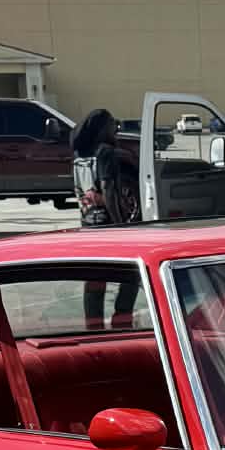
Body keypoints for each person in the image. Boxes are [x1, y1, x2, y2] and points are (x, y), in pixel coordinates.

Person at [70, 106, 139, 326]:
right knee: (131, 274)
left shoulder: (79, 154)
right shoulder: (105, 153)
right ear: (102, 128)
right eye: (112, 124)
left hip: (87, 224)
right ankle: (122, 318)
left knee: (94, 278)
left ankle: (93, 324)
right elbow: (108, 190)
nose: (115, 129)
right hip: (108, 224)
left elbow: (80, 190)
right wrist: (120, 224)